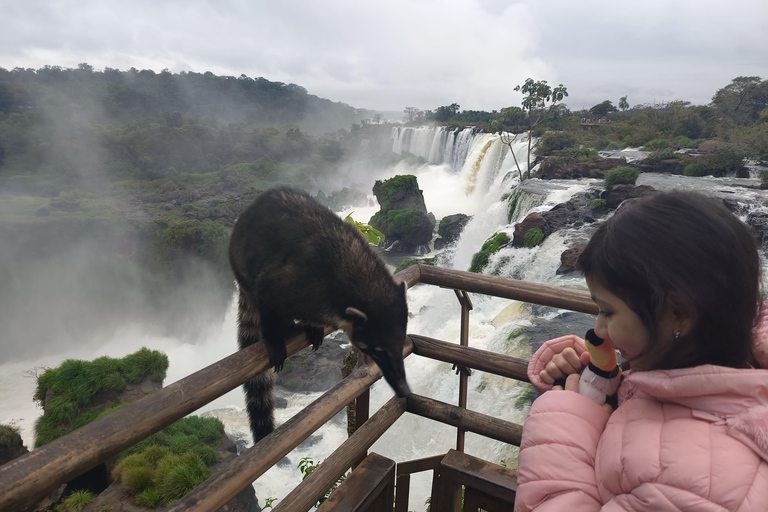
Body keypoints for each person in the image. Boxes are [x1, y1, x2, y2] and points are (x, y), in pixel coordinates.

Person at [516, 190, 768, 511]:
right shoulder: (710, 372)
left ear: (678, 314)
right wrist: (601, 381)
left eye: (607, 312)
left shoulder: (693, 484)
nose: (599, 331)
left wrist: (565, 423)